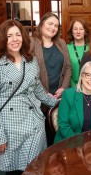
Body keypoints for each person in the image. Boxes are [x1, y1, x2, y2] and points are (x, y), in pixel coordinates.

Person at [0, 20, 58, 175]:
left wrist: (55, 102)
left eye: (18, 34)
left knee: (36, 167)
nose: (15, 39)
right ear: (3, 39)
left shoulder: (30, 61)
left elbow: (37, 88)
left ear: (23, 37)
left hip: (35, 123)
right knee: (15, 170)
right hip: (11, 127)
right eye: (9, 36)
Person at [30, 12, 72, 146]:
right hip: (39, 97)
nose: (53, 28)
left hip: (60, 95)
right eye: (50, 23)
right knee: (43, 136)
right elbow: (30, 73)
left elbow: (68, 67)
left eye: (56, 26)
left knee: (59, 132)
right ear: (42, 24)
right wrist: (43, 94)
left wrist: (63, 88)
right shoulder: (31, 43)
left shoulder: (61, 43)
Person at [54, 62, 91, 143]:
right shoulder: (68, 95)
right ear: (81, 76)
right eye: (88, 75)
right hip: (69, 142)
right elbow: (63, 125)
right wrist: (79, 144)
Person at [67, 19, 90, 87]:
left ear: (85, 31)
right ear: (72, 31)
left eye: (81, 29)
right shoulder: (66, 48)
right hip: (72, 87)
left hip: (90, 86)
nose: (78, 32)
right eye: (75, 29)